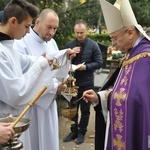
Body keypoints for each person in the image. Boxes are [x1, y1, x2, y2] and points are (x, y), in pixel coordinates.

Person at [0, 0, 78, 149]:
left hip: (17, 117)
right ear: (13, 21)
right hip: (8, 120)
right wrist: (42, 66)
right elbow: (17, 93)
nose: (29, 31)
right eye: (27, 26)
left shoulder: (8, 46)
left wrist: (61, 57)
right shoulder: (3, 50)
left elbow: (28, 61)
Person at [82, 0, 150, 150]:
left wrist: (110, 96)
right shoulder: (130, 55)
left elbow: (139, 100)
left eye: (114, 38)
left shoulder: (146, 58)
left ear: (130, 33)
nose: (113, 44)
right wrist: (100, 97)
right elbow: (123, 91)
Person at [63, 19, 103, 145]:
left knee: (85, 110)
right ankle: (73, 131)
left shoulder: (93, 45)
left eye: (82, 32)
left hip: (87, 82)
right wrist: (70, 56)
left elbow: (99, 62)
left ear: (86, 31)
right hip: (72, 82)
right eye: (77, 32)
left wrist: (85, 67)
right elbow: (62, 63)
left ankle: (82, 132)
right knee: (72, 108)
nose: (79, 35)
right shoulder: (69, 44)